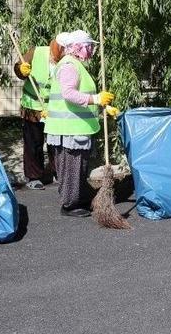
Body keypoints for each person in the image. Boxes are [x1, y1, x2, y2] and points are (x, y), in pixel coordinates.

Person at [43, 30, 117, 217]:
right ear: (78, 47)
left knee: (78, 168)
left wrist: (103, 107)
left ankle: (78, 197)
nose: (91, 50)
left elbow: (82, 94)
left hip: (76, 126)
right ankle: (70, 204)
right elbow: (69, 94)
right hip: (69, 128)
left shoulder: (75, 64)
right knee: (72, 168)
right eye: (88, 46)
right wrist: (96, 99)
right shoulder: (69, 65)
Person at [14, 40, 56, 190]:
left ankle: (57, 171)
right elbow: (19, 67)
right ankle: (34, 176)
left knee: (56, 142)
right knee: (33, 142)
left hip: (54, 107)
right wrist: (21, 69)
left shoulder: (67, 60)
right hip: (32, 106)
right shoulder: (37, 52)